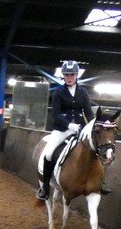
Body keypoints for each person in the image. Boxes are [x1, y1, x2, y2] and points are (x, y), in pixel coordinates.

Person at [37, 60, 110, 200]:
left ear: (76, 75)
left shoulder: (83, 92)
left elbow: (88, 113)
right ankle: (45, 186)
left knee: (97, 149)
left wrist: (95, 125)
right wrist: (69, 125)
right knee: (49, 153)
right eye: (67, 75)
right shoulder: (58, 92)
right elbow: (56, 115)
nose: (69, 77)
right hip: (62, 129)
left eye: (72, 75)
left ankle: (100, 182)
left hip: (80, 129)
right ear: (63, 76)